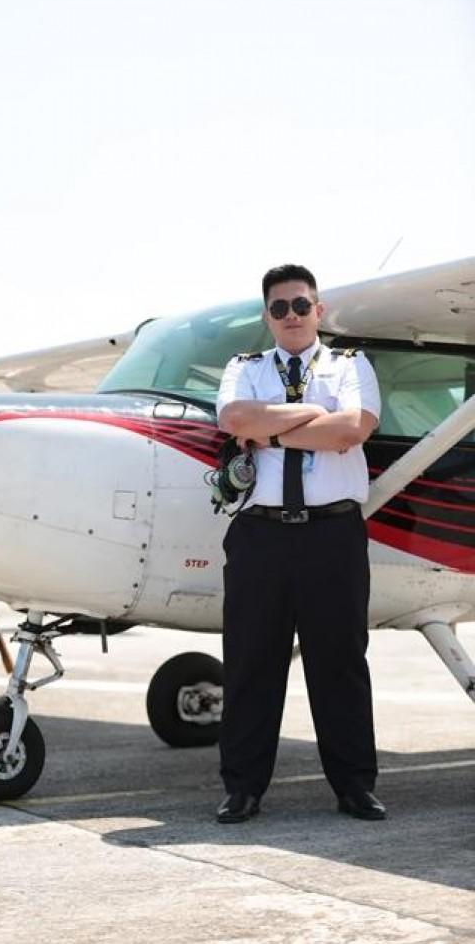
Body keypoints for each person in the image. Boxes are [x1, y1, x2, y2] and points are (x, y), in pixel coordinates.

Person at [215, 263, 385, 823]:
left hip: (332, 535)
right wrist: (315, 415)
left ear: (319, 310)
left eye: (301, 305)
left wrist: (269, 430)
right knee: (250, 663)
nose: (292, 315)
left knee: (339, 661)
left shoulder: (351, 365)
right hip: (259, 536)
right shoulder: (244, 369)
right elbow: (234, 417)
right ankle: (242, 789)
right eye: (280, 307)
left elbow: (351, 429)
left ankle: (355, 786)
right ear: (267, 316)